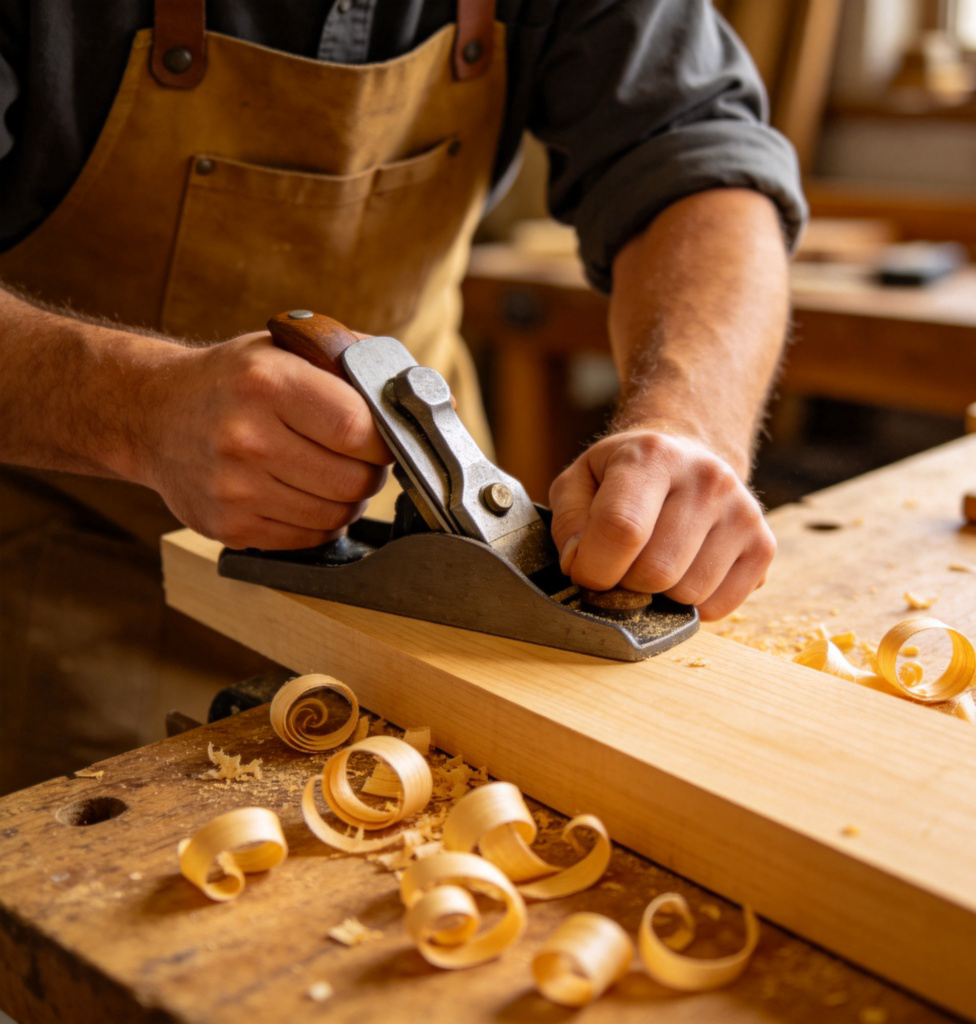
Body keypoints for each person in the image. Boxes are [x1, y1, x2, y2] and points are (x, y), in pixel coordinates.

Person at [0, 0, 806, 792]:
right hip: (79, 561)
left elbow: (695, 146)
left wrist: (689, 420)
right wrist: (136, 406)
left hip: (439, 592)